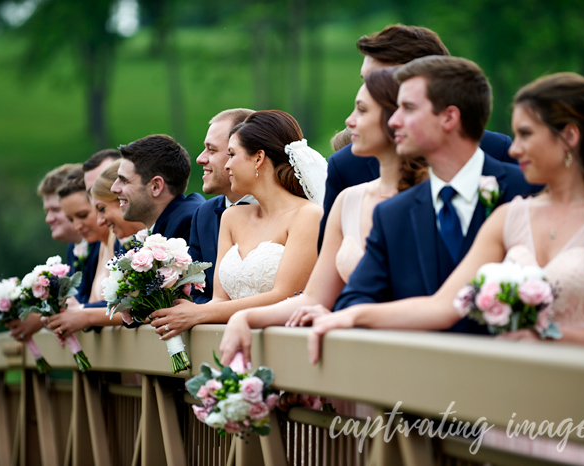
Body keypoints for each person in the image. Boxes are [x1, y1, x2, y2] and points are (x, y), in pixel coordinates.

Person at [308, 70, 584, 363]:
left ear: (569, 136)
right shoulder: (508, 217)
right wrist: (350, 316)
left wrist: (551, 336)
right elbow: (443, 306)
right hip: (509, 408)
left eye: (526, 134)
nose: (513, 149)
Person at [310, 56, 538, 339]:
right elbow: (353, 301)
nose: (393, 121)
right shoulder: (392, 213)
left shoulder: (527, 192)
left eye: (408, 108)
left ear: (449, 117)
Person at [218, 68, 428, 365]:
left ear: (396, 119)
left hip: (414, 357)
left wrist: (348, 314)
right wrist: (245, 318)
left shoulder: (431, 198)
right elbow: (312, 298)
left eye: (362, 110)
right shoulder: (347, 201)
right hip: (357, 359)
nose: (349, 120)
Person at [319, 24, 516, 249]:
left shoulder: (497, 151)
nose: (366, 92)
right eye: (365, 80)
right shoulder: (346, 167)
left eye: (380, 82)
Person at [149, 110, 325, 340]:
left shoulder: (308, 216)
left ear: (258, 158)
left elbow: (284, 295)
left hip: (283, 342)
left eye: (232, 154)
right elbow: (220, 299)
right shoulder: (232, 218)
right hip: (232, 339)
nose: (227, 165)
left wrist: (199, 313)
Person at [42, 168, 123, 337]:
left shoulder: (120, 242)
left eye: (83, 215)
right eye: (71, 219)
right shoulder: (101, 244)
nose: (76, 226)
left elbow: (136, 307)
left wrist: (81, 311)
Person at [6, 163, 83, 343]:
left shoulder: (105, 243)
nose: (48, 219)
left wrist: (41, 318)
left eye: (56, 210)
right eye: (47, 211)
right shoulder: (73, 247)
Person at [189, 108, 256, 304]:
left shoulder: (289, 212)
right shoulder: (204, 215)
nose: (200, 159)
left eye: (212, 150)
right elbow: (196, 292)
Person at [111, 134, 204, 242]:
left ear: (156, 186)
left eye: (125, 181)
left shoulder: (190, 227)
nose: (114, 188)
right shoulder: (171, 225)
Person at [91, 160, 146, 248]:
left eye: (102, 209)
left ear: (122, 198)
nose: (99, 222)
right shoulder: (119, 247)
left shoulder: (172, 231)